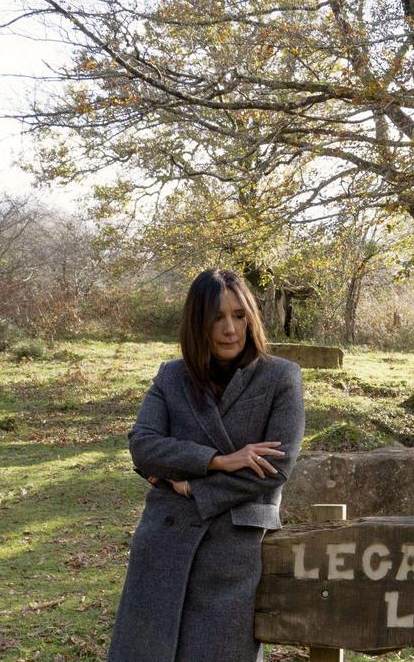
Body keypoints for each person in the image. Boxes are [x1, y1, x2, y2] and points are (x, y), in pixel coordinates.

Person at [107, 268, 305, 662]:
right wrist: (217, 460)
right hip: (164, 542)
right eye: (217, 317)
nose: (230, 328)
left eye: (239, 315)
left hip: (234, 549)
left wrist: (191, 486)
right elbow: (143, 446)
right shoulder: (172, 376)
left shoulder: (281, 377)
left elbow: (274, 468)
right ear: (198, 323)